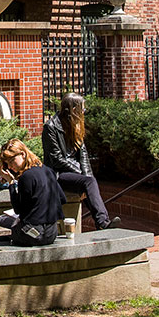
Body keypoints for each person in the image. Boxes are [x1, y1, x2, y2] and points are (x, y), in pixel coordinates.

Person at [42, 93, 117, 230]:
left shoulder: (76, 125)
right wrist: (82, 176)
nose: (83, 112)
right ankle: (102, 222)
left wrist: (86, 176)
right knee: (88, 181)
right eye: (82, 109)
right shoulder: (50, 127)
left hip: (75, 172)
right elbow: (57, 159)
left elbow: (84, 156)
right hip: (58, 174)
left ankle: (102, 222)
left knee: (90, 181)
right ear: (73, 110)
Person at [0, 138, 64, 247]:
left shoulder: (26, 177)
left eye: (11, 161)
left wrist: (11, 183)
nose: (9, 167)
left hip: (31, 234)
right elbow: (62, 198)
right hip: (51, 234)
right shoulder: (48, 171)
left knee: (1, 221)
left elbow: (18, 209)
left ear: (22, 154)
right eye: (7, 163)